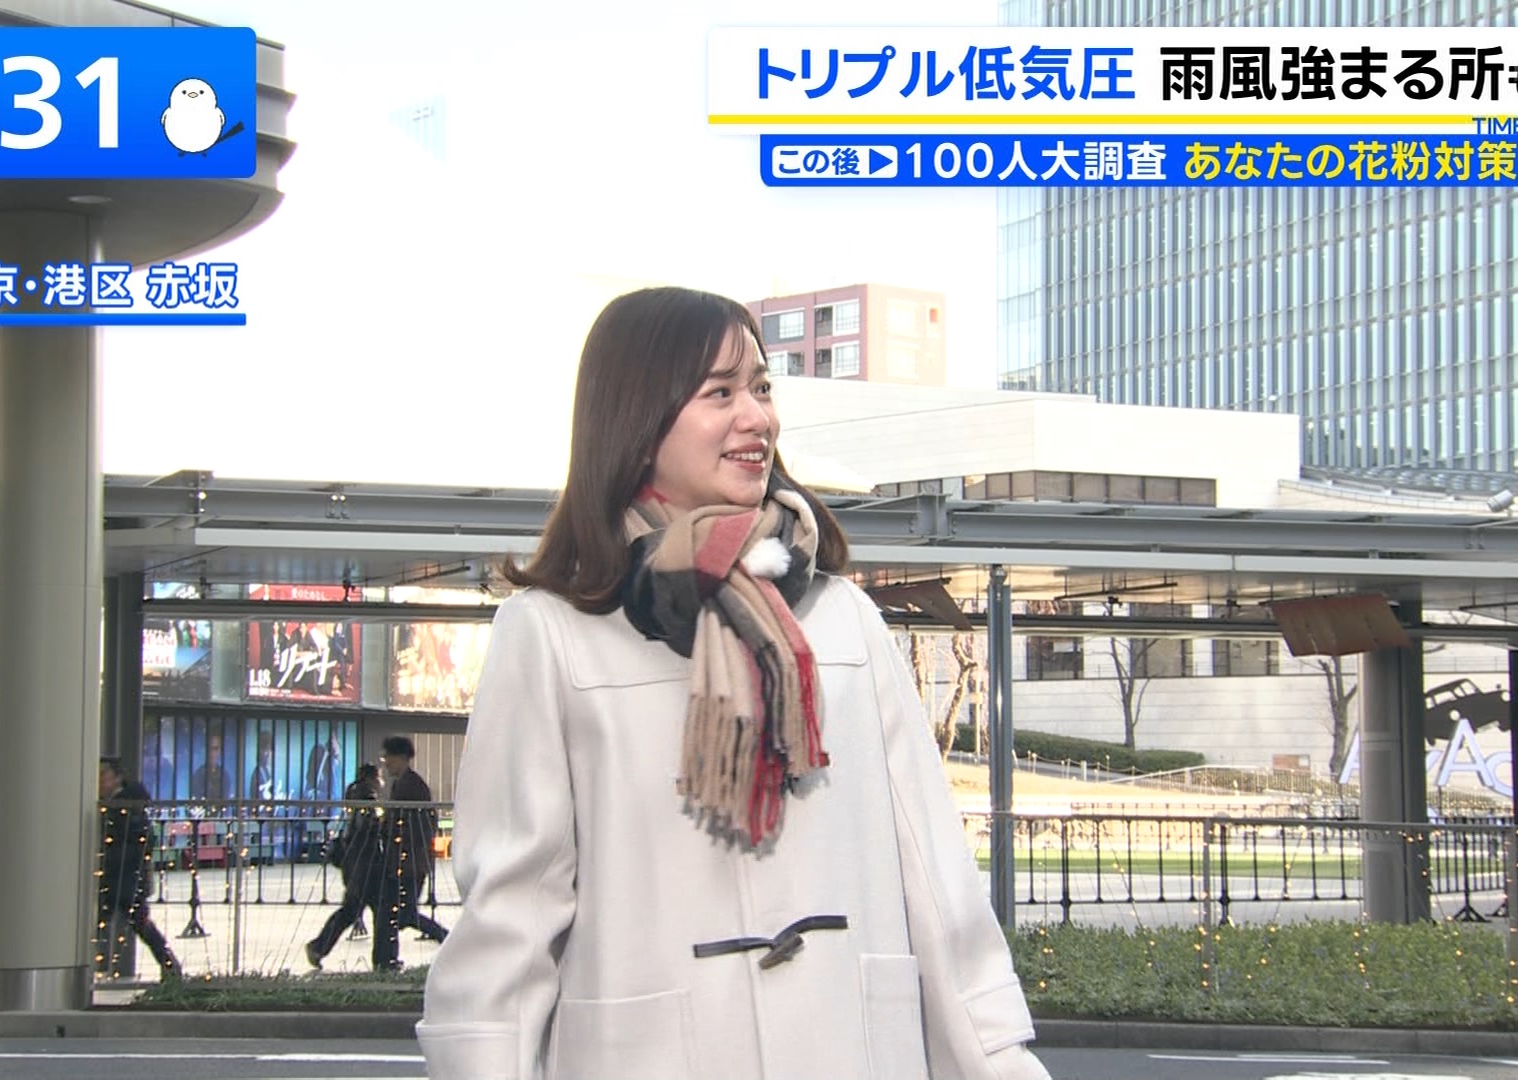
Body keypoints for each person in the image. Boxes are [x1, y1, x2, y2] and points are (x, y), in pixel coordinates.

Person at [416, 287, 1051, 1080]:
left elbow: (936, 880)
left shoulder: (844, 618)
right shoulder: (550, 633)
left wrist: (1001, 1061)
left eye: (761, 387)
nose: (757, 417)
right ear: (636, 419)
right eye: (720, 393)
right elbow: (513, 914)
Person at [305, 764, 398, 972]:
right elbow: (368, 829)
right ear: (372, 778)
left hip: (357, 865)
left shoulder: (355, 796)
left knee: (354, 911)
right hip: (367, 867)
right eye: (379, 777)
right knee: (374, 912)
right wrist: (383, 824)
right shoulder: (367, 800)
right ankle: (383, 960)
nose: (381, 782)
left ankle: (319, 947)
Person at [96, 757, 181, 980]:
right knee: (136, 924)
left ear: (117, 778)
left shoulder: (125, 808)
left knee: (135, 923)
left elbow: (138, 842)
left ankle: (170, 966)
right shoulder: (121, 806)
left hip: (124, 877)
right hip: (122, 877)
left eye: (103, 775)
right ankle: (170, 966)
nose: (99, 781)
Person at [379, 736, 449, 945]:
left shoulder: (412, 786)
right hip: (406, 860)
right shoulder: (402, 783)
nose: (386, 763)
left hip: (409, 862)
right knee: (399, 913)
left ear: (401, 757)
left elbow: (418, 825)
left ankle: (447, 938)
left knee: (404, 914)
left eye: (388, 758)